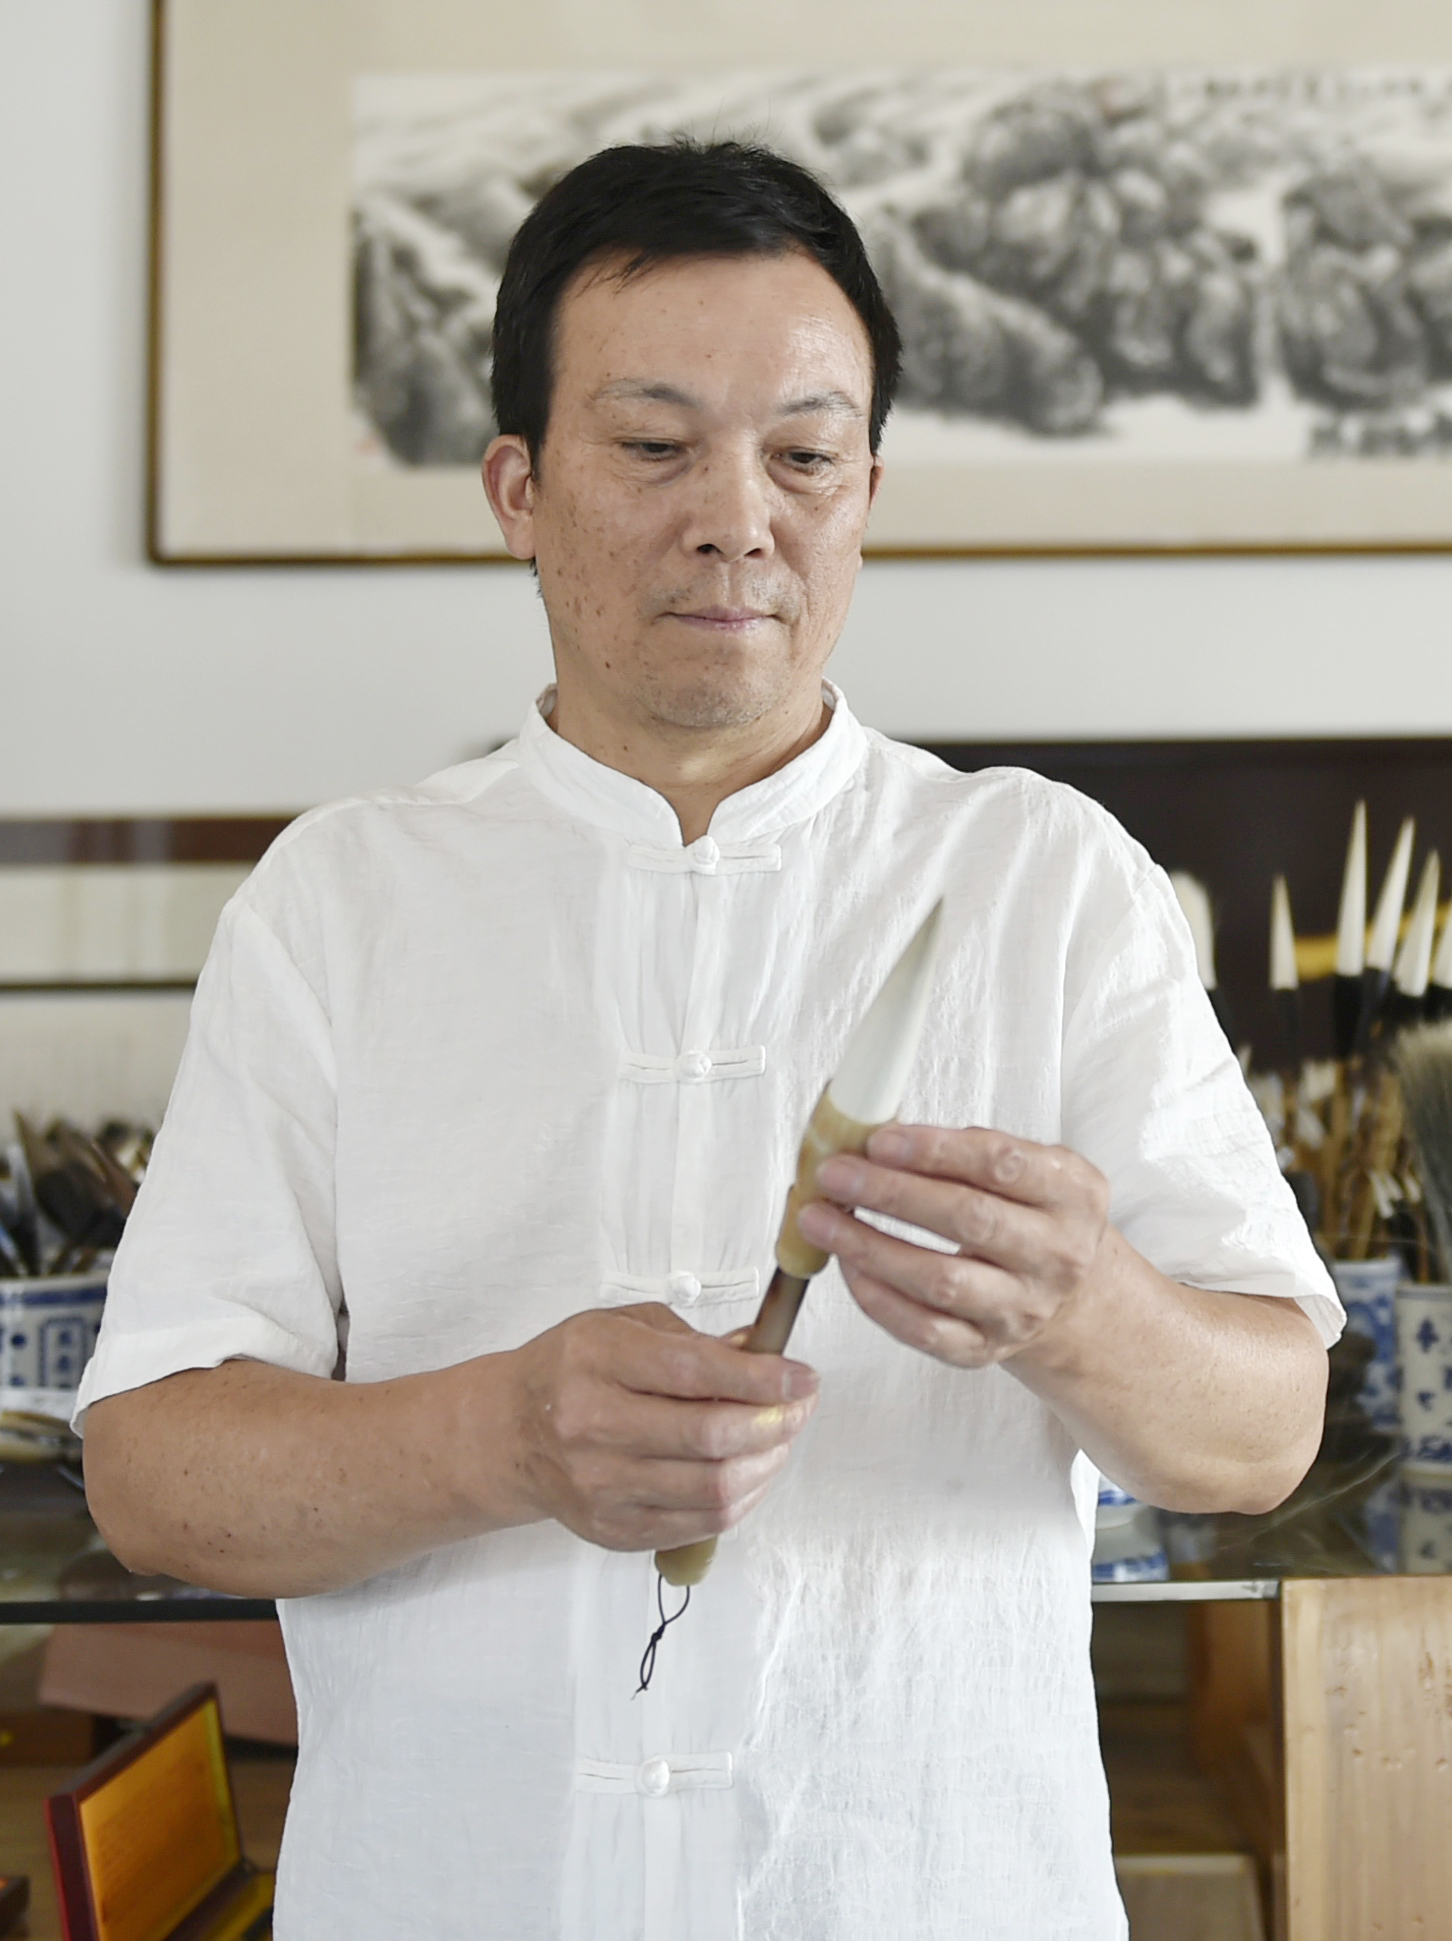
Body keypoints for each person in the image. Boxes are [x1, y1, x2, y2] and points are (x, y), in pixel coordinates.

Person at [79, 140, 1338, 1941]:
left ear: (868, 491)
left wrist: (1086, 1309)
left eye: (804, 457)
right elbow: (152, 1476)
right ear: (519, 487)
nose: (738, 519)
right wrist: (500, 1438)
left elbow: (1264, 1436)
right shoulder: (340, 899)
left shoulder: (1043, 877)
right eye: (655, 446)